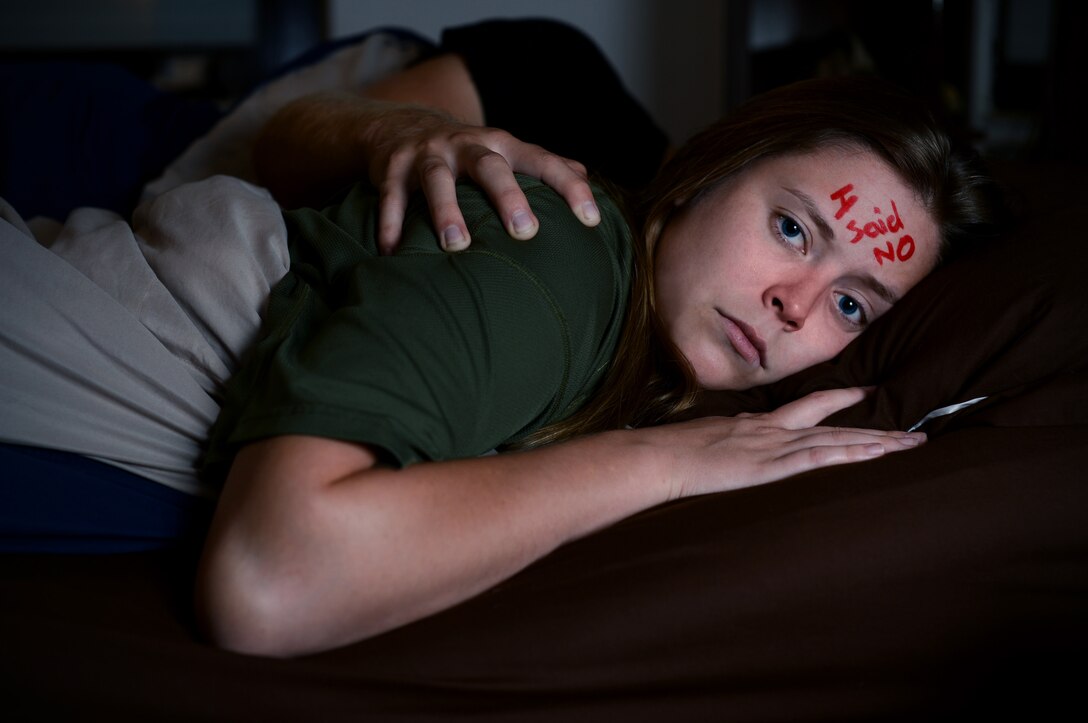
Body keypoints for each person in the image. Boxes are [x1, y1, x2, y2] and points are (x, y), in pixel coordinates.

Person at [0, 33, 1006, 658]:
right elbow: (271, 586)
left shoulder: (621, 340)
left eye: (851, 306)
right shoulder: (544, 255)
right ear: (701, 173)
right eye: (791, 229)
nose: (794, 307)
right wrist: (658, 462)